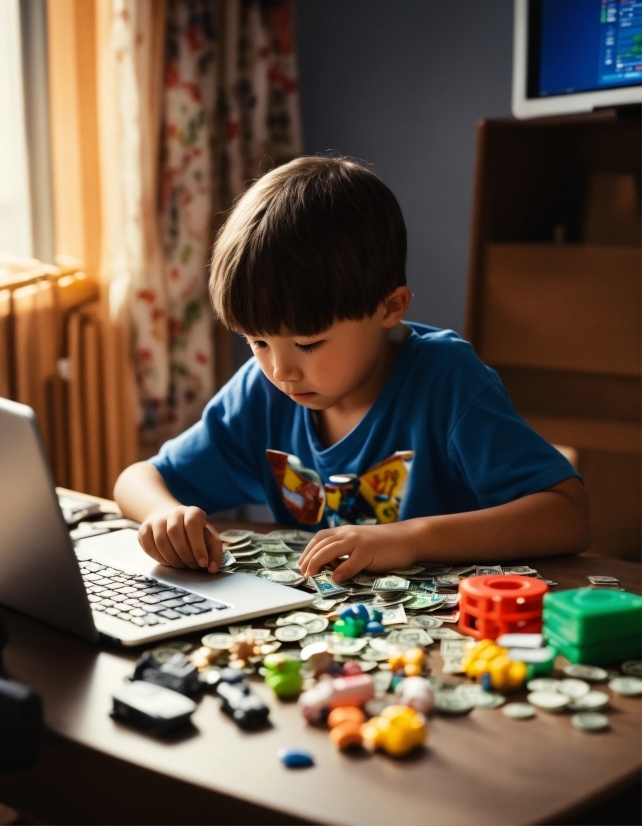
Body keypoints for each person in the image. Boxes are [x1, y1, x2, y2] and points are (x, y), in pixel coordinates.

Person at [114, 156, 590, 583]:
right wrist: (165, 515)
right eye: (257, 341)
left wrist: (408, 539)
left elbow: (567, 516)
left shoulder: (448, 383)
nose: (281, 370)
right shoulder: (260, 394)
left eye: (307, 343)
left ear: (389, 307)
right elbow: (137, 480)